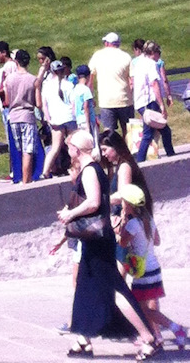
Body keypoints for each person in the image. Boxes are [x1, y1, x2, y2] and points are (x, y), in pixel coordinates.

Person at [55, 130, 153, 357]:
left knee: (114, 290)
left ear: (76, 150)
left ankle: (148, 338)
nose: (67, 150)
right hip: (95, 241)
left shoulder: (90, 171)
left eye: (69, 147)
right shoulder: (93, 169)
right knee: (85, 289)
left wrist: (70, 214)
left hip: (98, 242)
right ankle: (83, 339)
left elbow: (93, 202)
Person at [115, 179, 188, 351]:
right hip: (153, 268)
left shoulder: (132, 223)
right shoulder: (148, 219)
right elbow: (157, 241)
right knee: (144, 307)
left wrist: (121, 226)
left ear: (129, 204)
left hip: (143, 273)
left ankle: (177, 329)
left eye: (123, 201)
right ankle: (154, 336)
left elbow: (122, 243)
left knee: (142, 309)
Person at [0, 48, 39, 185]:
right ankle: (26, 181)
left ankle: (22, 178)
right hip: (27, 115)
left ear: (16, 61)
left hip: (14, 116)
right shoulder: (33, 79)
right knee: (28, 151)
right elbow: (38, 103)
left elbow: (8, 101)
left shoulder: (9, 79)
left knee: (21, 150)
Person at [90, 32, 134, 136]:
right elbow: (132, 80)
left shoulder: (98, 56)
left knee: (108, 132)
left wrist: (91, 97)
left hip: (106, 101)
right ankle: (127, 151)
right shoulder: (126, 56)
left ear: (107, 43)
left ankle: (112, 151)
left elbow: (90, 78)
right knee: (127, 130)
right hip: (125, 99)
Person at [40, 56, 75, 178]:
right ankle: (76, 166)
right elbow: (73, 103)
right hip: (69, 117)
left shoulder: (46, 86)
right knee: (73, 144)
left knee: (55, 147)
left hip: (56, 119)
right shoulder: (69, 85)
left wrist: (48, 118)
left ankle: (45, 171)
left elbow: (44, 105)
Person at [70, 64, 99, 143]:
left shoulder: (75, 89)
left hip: (79, 120)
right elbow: (86, 107)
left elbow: (73, 106)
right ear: (88, 76)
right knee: (93, 143)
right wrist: (88, 124)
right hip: (88, 120)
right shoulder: (86, 90)